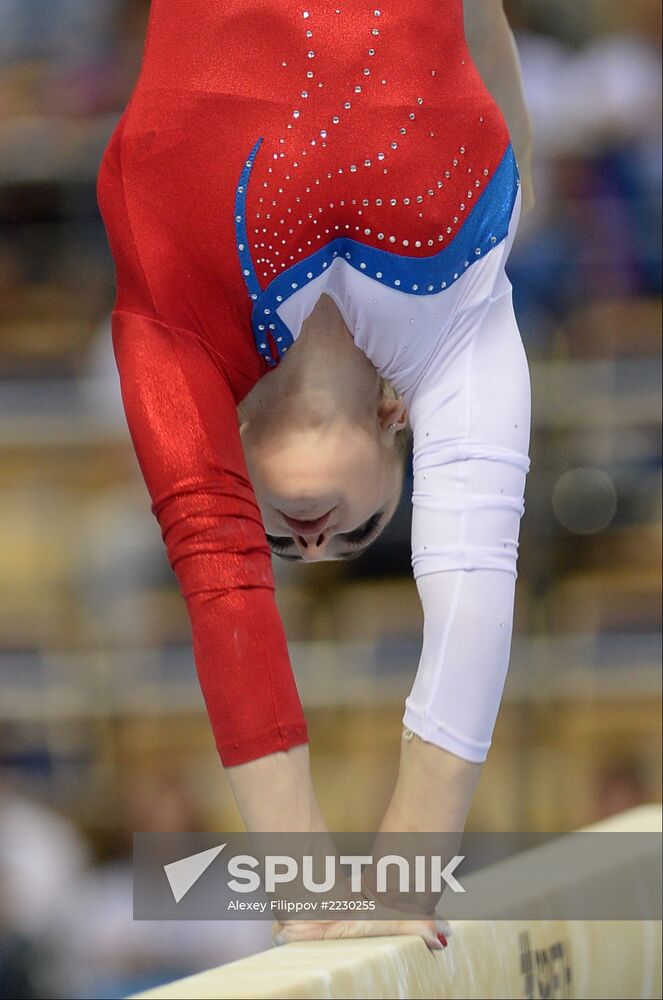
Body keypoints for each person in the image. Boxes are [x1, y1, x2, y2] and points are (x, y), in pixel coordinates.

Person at [97, 0, 534, 949]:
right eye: (356, 533)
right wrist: (409, 863)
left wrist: (302, 890)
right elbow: (473, 581)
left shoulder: (168, 341)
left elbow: (223, 593)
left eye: (284, 545)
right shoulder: (463, 313)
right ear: (396, 420)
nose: (308, 540)